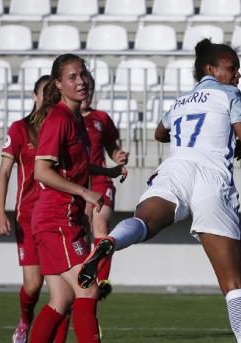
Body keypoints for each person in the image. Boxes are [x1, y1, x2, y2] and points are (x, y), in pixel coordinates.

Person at [77, 38, 241, 343]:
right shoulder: (229, 93)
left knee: (145, 222)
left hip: (174, 169)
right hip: (211, 177)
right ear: (211, 69)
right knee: (233, 284)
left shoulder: (180, 101)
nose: (237, 75)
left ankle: (112, 240)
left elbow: (160, 133)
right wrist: (236, 143)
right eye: (233, 69)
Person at [28, 53, 125, 343]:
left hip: (61, 219)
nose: (81, 81)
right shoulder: (58, 118)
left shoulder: (75, 119)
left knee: (61, 299)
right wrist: (84, 191)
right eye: (72, 77)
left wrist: (108, 169)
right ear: (58, 84)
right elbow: (41, 171)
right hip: (55, 220)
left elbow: (76, 165)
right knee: (89, 288)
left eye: (83, 74)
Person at [0, 75, 74, 343]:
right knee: (33, 284)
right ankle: (25, 320)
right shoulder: (20, 128)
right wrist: (0, 213)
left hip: (58, 214)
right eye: (45, 94)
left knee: (65, 291)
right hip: (28, 216)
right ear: (35, 96)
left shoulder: (60, 126)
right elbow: (4, 172)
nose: (50, 99)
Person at [81, 75, 129, 300]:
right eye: (83, 86)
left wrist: (116, 155)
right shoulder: (62, 117)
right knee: (80, 232)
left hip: (100, 180)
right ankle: (84, 281)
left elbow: (112, 146)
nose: (86, 91)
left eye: (90, 88)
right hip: (75, 182)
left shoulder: (101, 118)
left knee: (100, 225)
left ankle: (102, 280)